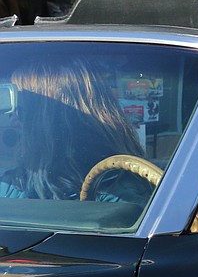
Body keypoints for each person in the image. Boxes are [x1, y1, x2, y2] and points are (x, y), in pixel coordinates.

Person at [0, 57, 146, 200]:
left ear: (52, 123)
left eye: (21, 111)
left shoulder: (119, 200)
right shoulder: (130, 191)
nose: (13, 122)